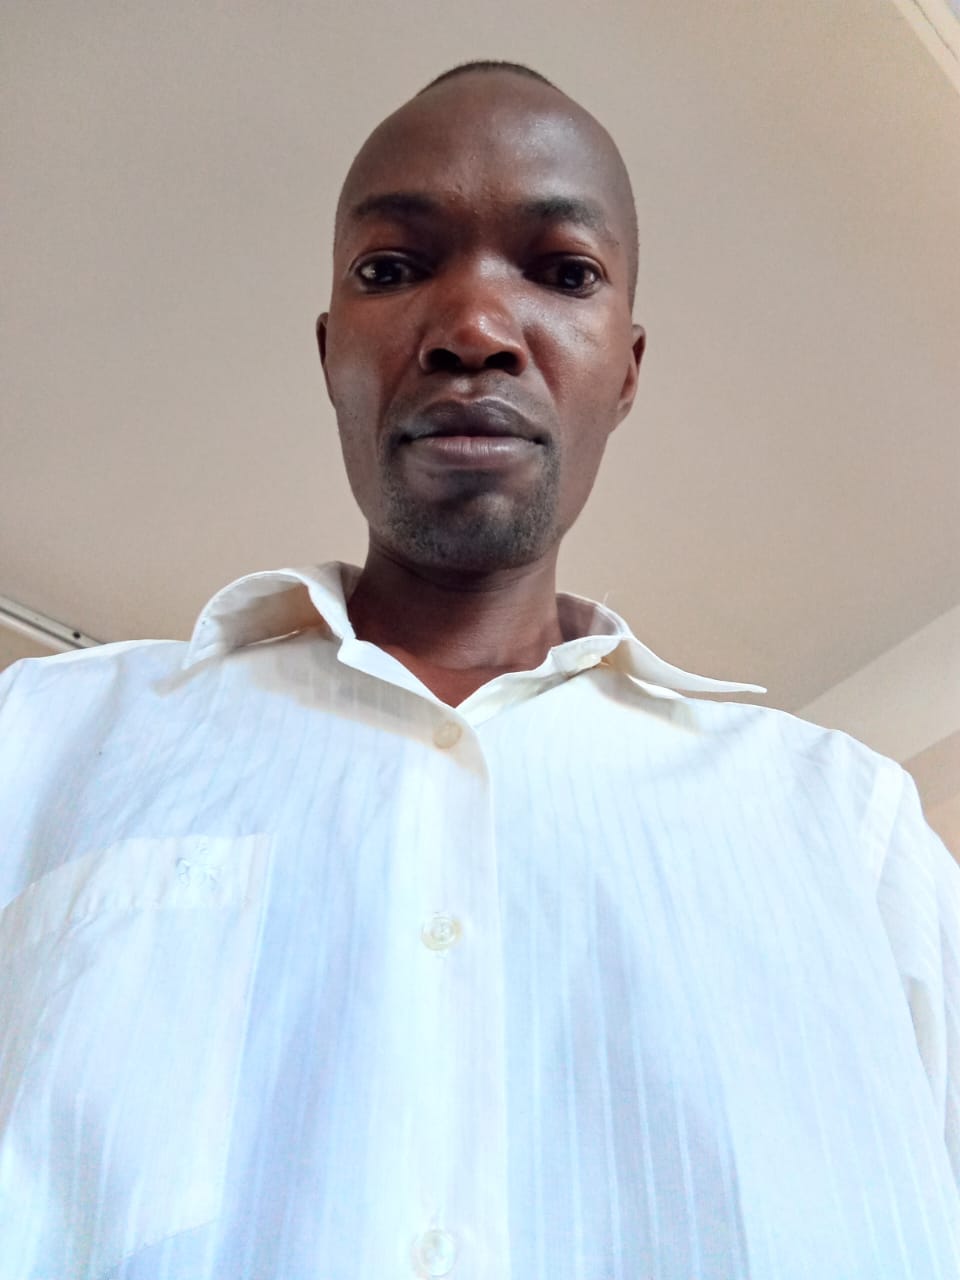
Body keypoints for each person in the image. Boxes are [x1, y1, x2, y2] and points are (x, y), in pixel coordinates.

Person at [0, 60, 957, 1280]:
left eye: (564, 272)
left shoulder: (853, 834)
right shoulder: (39, 740)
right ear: (331, 352)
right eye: (392, 269)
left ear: (627, 367)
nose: (473, 331)